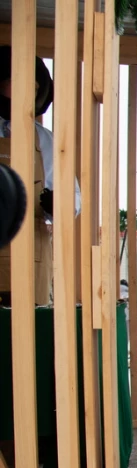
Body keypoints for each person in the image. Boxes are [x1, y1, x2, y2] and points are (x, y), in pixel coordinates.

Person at [0, 46, 81, 306]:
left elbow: (73, 198)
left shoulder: (45, 140)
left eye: (34, 87)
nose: (28, 91)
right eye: (18, 83)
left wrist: (59, 205)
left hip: (31, 253)